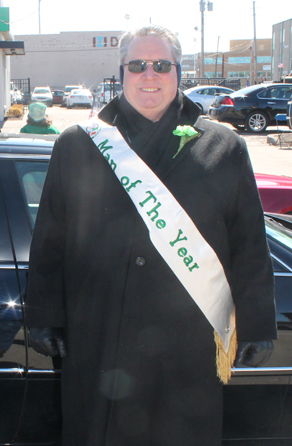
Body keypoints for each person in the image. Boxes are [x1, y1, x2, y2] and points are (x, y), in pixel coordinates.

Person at [25, 25, 276, 446]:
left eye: (161, 65)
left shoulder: (223, 147)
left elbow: (249, 242)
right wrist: (44, 315)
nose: (149, 75)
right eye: (137, 65)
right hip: (100, 335)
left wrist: (256, 323)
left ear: (179, 72)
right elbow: (51, 239)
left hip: (187, 343)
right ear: (121, 73)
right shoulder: (77, 144)